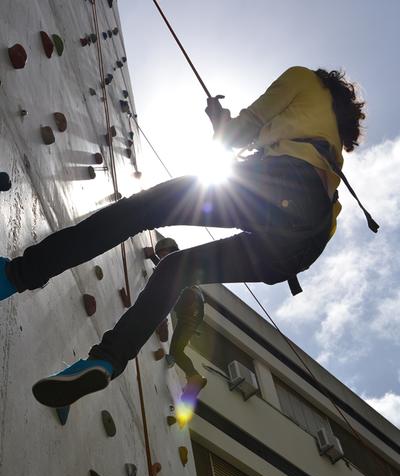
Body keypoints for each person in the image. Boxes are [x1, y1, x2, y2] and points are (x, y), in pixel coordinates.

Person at [0, 66, 372, 408]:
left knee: (140, 210)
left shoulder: (304, 79)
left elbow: (235, 137)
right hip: (304, 244)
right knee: (177, 269)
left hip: (283, 188)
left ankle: (19, 274)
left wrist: (218, 120)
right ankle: (107, 360)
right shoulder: (330, 143)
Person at [144, 237, 207, 397]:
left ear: (170, 251)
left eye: (163, 254)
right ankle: (193, 377)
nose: (162, 258)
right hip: (191, 315)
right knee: (177, 351)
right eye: (160, 255)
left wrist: (152, 256)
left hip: (190, 304)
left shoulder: (178, 260)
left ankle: (194, 377)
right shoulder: (182, 263)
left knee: (176, 351)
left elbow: (171, 273)